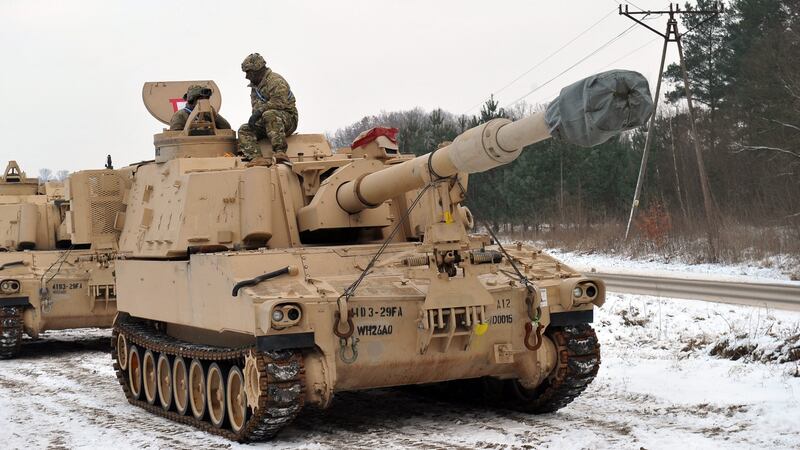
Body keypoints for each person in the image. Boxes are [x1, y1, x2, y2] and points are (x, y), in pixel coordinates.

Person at [238, 53, 298, 165]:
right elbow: (256, 108)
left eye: (248, 72)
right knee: (244, 129)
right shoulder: (255, 88)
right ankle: (257, 158)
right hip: (267, 122)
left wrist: (259, 112)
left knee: (269, 114)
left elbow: (279, 102)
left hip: (287, 120)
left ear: (257, 69)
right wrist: (255, 121)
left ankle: (280, 152)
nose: (246, 76)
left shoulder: (275, 81)